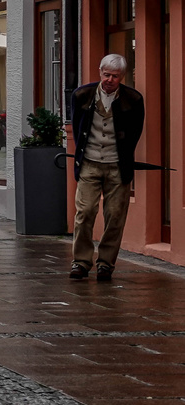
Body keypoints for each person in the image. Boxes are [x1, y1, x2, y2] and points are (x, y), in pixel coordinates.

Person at [69, 54, 146, 281]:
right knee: (84, 213)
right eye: (106, 75)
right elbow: (77, 125)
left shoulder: (133, 99)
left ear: (122, 77)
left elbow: (135, 132)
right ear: (100, 72)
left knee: (115, 216)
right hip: (89, 164)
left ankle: (105, 264)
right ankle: (81, 262)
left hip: (116, 166)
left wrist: (123, 155)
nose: (110, 79)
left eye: (115, 76)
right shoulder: (82, 95)